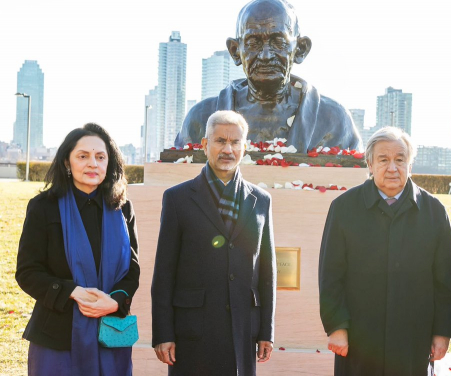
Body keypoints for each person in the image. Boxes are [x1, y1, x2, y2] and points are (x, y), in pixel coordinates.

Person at [319, 126, 451, 376]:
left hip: (414, 339)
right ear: (370, 164)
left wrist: (441, 332)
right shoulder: (344, 208)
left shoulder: (434, 212)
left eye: (400, 160)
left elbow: (446, 280)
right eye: (383, 160)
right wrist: (337, 327)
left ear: (410, 165)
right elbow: (330, 275)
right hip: (359, 338)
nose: (392, 168)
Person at [152, 110, 276, 375]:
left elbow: (267, 270)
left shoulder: (260, 200)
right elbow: (164, 271)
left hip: (243, 329)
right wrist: (163, 332)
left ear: (245, 147)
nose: (228, 149)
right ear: (205, 145)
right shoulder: (178, 199)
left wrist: (266, 330)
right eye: (220, 141)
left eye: (235, 142)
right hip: (193, 330)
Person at [15, 123, 140, 376]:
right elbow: (27, 272)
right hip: (57, 337)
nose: (92, 163)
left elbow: (132, 270)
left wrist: (114, 301)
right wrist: (73, 292)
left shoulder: (123, 209)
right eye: (83, 156)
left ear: (109, 163)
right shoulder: (43, 207)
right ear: (66, 163)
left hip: (111, 333)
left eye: (100, 157)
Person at [174, 0, 362, 152]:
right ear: (235, 51)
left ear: (300, 49)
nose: (265, 55)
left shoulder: (333, 120)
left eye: (278, 41)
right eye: (253, 42)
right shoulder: (201, 118)